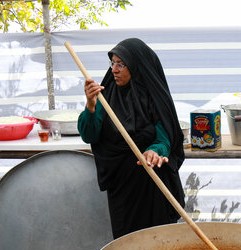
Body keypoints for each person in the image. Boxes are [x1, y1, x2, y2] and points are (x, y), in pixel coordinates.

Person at [78, 38, 185, 239]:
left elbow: (165, 139)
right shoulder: (104, 97)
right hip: (121, 184)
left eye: (121, 64)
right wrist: (90, 106)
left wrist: (155, 151)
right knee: (126, 241)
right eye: (112, 63)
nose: (114, 70)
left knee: (158, 240)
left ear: (136, 66)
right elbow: (89, 135)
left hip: (152, 181)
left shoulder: (154, 98)